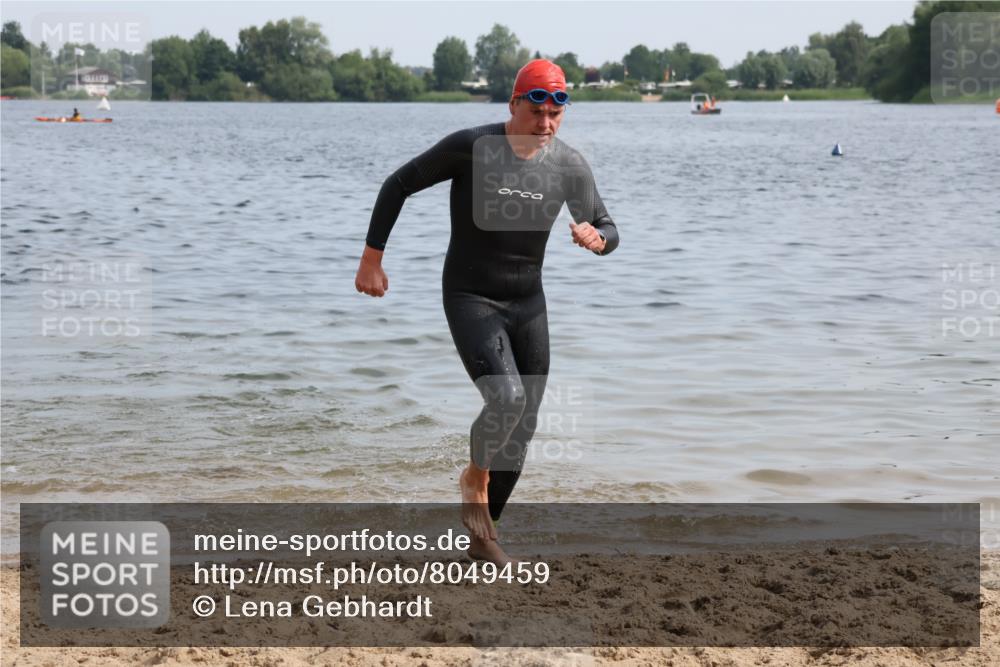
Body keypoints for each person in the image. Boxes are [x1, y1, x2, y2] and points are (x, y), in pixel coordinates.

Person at [355, 59, 619, 565]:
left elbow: (608, 226)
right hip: (471, 297)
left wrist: (598, 237)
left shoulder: (567, 165)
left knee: (525, 420)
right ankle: (474, 477)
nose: (545, 126)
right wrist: (372, 259)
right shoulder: (472, 148)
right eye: (535, 113)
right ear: (514, 105)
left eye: (554, 117)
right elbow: (398, 184)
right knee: (506, 398)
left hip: (528, 302)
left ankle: (483, 535)